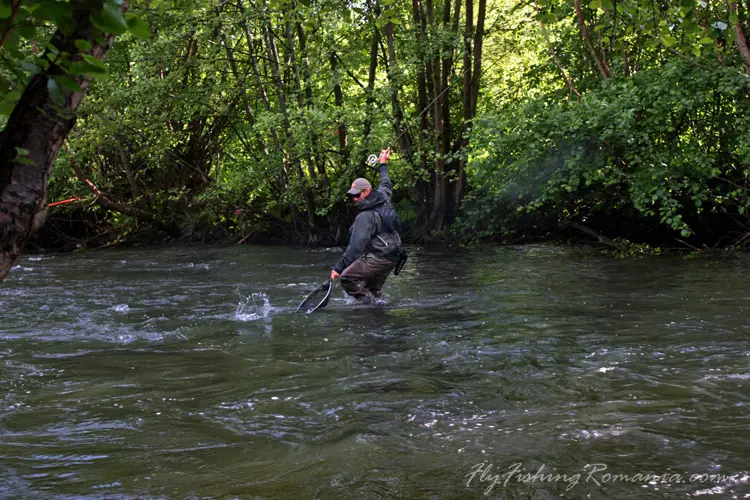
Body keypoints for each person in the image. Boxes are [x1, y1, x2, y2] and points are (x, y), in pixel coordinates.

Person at [330, 148, 403, 302]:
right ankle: (376, 315)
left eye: (357, 195)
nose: (354, 199)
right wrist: (383, 163)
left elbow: (356, 246)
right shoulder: (383, 196)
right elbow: (386, 182)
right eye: (352, 195)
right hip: (393, 256)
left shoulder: (365, 217)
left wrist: (338, 268)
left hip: (379, 257)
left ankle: (369, 306)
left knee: (347, 278)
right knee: (373, 290)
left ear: (367, 191)